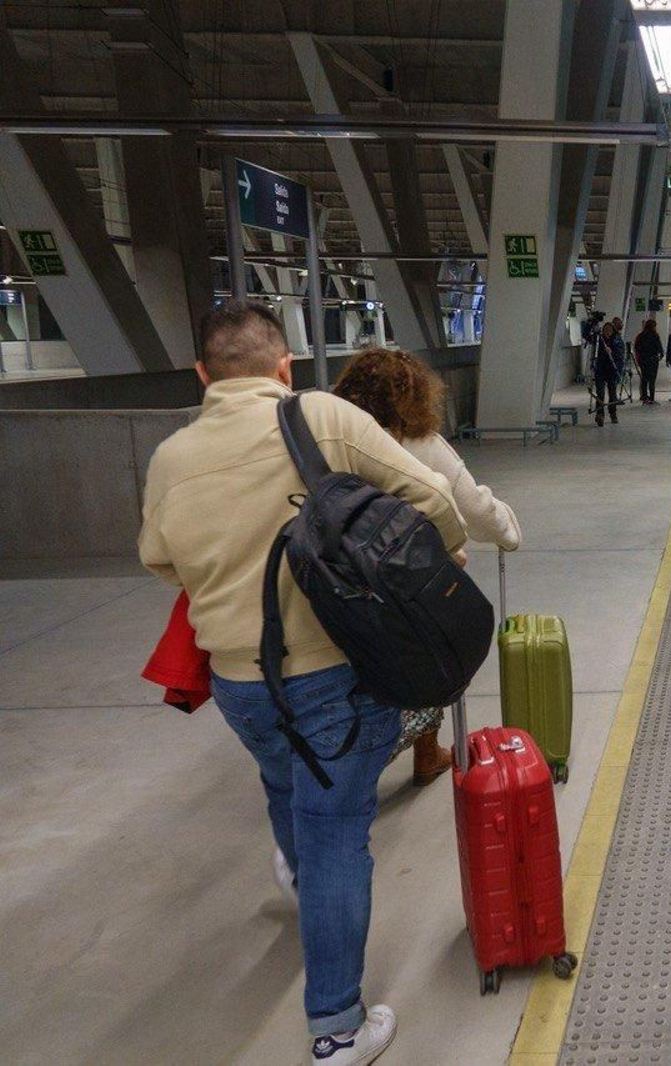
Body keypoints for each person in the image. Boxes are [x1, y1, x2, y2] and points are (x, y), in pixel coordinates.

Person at [139, 300, 466, 1065]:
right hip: (333, 676)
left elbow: (160, 561)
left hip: (239, 686)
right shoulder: (320, 418)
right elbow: (440, 504)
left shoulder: (171, 458)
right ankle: (337, 1031)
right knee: (335, 843)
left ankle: (300, 885)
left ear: (202, 374)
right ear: (283, 365)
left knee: (286, 787)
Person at [331, 347, 522, 783]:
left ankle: (352, 749)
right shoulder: (421, 444)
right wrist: (508, 533)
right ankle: (425, 751)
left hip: (340, 577)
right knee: (429, 644)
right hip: (406, 578)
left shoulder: (332, 437)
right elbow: (473, 507)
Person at [593, 320, 623, 426]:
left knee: (612, 393)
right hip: (600, 370)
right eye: (605, 330)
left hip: (612, 370)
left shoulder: (617, 340)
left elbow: (620, 356)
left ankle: (613, 413)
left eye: (609, 330)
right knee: (600, 393)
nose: (607, 332)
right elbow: (586, 335)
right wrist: (590, 325)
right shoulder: (598, 340)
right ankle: (600, 414)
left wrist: (612, 352)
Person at [634, 319, 664, 405]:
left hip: (643, 359)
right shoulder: (655, 335)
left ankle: (644, 397)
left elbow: (637, 347)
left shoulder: (640, 336)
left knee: (644, 379)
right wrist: (660, 356)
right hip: (653, 360)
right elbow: (659, 347)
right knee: (652, 380)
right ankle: (652, 398)